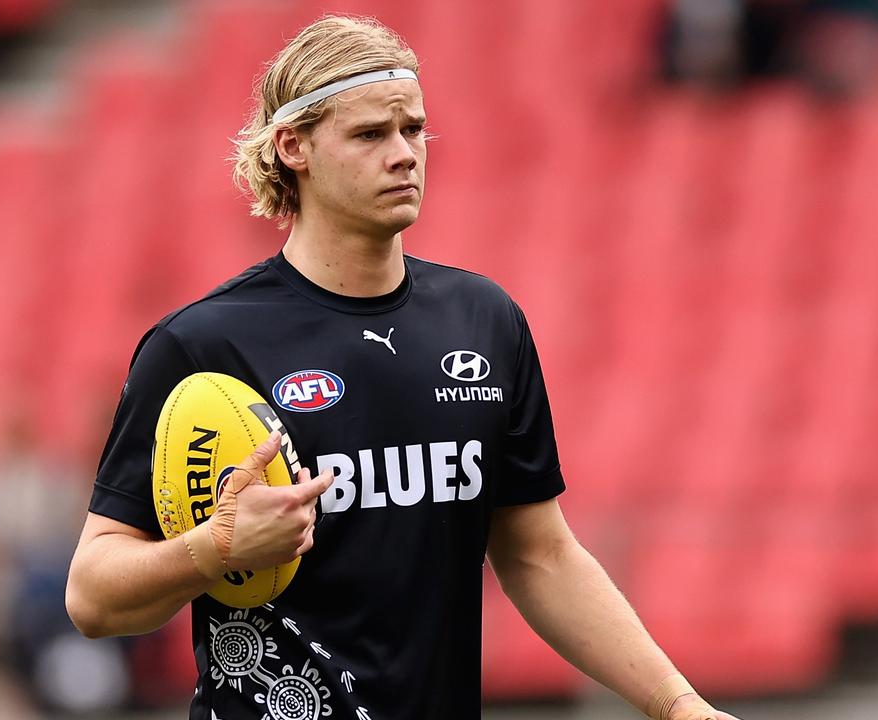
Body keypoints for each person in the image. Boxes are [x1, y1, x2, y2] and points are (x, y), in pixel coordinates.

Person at [65, 15, 740, 720]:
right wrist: (213, 549)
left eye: (413, 130)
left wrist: (677, 705)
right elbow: (91, 597)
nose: (404, 154)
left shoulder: (483, 321)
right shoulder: (204, 346)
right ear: (293, 146)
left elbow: (541, 556)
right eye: (370, 135)